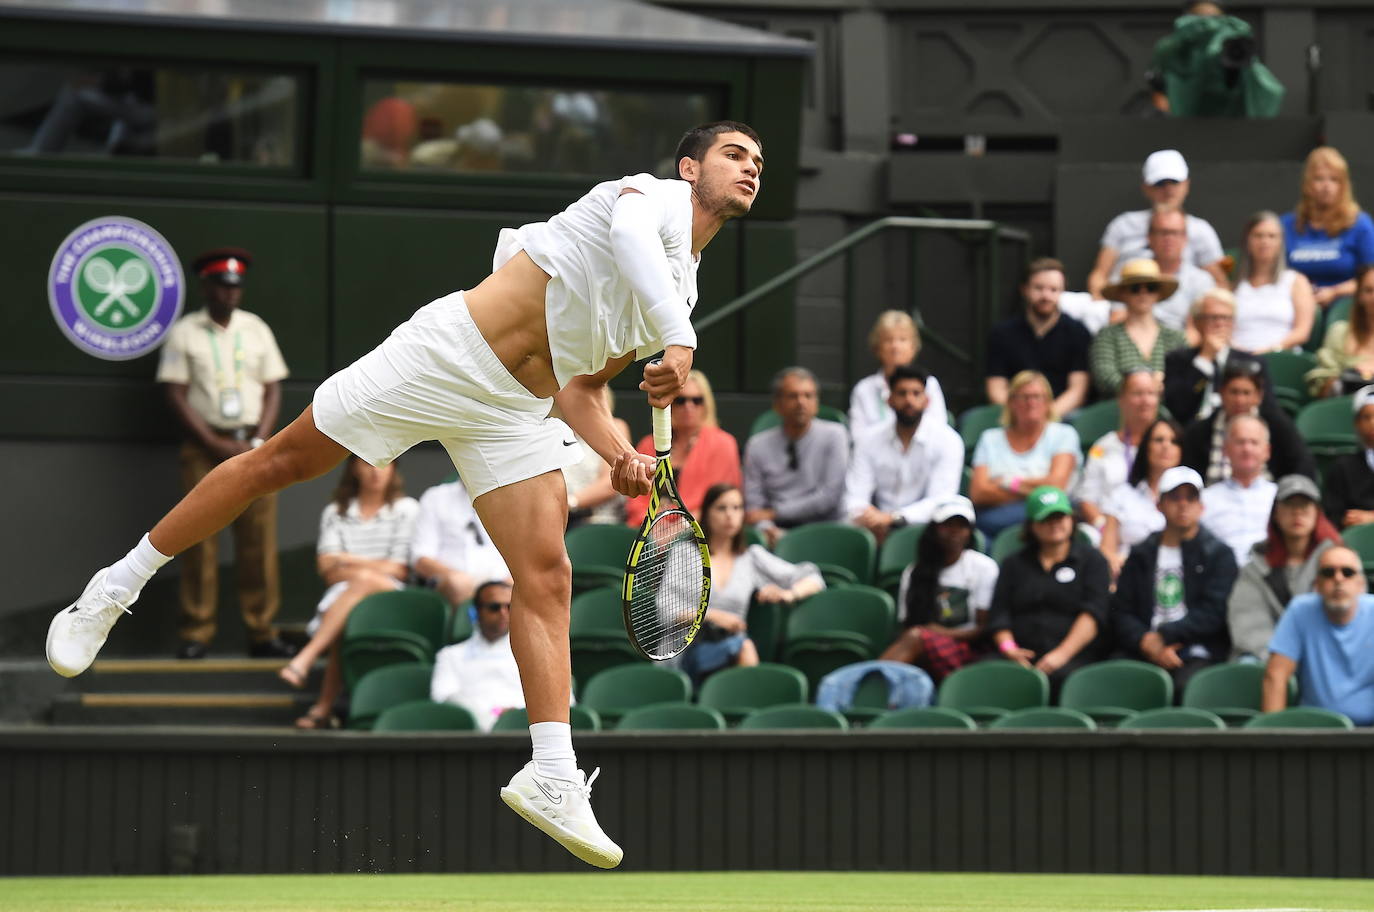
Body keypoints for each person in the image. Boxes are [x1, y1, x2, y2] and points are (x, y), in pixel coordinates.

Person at [48, 119, 768, 870]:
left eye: (757, 161)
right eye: (733, 153)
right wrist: (678, 337)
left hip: (513, 413)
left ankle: (552, 773)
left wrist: (619, 454)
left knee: (546, 576)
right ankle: (114, 586)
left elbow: (581, 388)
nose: (750, 167)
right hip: (449, 354)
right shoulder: (645, 201)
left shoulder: (681, 287)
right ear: (689, 166)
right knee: (278, 463)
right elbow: (625, 237)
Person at [154, 247, 293, 660]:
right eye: (221, 286)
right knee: (198, 540)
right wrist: (212, 443)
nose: (229, 294)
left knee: (259, 542)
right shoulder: (185, 332)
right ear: (207, 287)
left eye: (235, 287)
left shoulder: (256, 329)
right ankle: (197, 631)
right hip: (204, 446)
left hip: (253, 445)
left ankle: (262, 631)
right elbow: (175, 394)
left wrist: (260, 438)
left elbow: (273, 387)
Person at [276, 456, 417, 725]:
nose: (377, 472)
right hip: (345, 594)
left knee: (360, 584)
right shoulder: (335, 512)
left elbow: (399, 570)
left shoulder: (407, 509)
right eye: (368, 463)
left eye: (385, 463)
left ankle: (308, 661)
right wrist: (369, 570)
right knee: (350, 613)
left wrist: (349, 561)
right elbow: (327, 569)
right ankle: (322, 710)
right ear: (354, 468)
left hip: (393, 594)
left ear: (394, 469)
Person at [680, 483, 824, 685]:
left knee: (742, 646)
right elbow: (666, 610)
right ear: (706, 513)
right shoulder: (685, 555)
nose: (730, 515)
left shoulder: (751, 557)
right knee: (744, 647)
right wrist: (713, 616)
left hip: (732, 649)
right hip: (686, 649)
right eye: (721, 508)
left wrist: (788, 594)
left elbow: (813, 577)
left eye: (737, 508)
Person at [1112, 466, 1237, 692]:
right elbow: (1121, 610)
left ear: (1201, 506)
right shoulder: (1141, 553)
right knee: (1113, 679)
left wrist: (1164, 637)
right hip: (1143, 647)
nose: (1183, 504)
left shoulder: (1219, 554)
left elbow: (1214, 612)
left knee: (1187, 686)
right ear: (1159, 504)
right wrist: (1145, 641)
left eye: (1191, 497)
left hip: (1198, 649)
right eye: (1174, 497)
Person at [987, 486, 1111, 693]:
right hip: (1020, 654)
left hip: (1076, 656)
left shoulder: (1092, 560)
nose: (1054, 524)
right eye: (1046, 518)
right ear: (1031, 525)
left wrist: (1061, 654)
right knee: (986, 674)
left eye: (1060, 516)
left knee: (1066, 679)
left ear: (1072, 519)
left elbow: (1094, 613)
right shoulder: (1013, 564)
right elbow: (1000, 614)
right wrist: (1009, 649)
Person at [879, 496, 998, 682]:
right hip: (924, 647)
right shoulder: (914, 573)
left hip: (968, 649)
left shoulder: (984, 567)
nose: (955, 532)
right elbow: (906, 625)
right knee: (914, 638)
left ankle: (872, 680)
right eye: (947, 525)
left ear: (970, 531)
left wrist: (937, 632)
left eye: (962, 526)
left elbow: (983, 629)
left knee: (916, 637)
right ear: (934, 530)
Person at [843, 365, 964, 544]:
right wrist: (871, 519)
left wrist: (893, 518)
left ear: (927, 401)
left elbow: (941, 499)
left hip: (925, 530)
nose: (909, 400)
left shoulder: (948, 441)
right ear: (889, 400)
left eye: (916, 393)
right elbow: (855, 495)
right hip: (872, 528)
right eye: (902, 393)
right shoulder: (868, 439)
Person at [1229, 475, 1342, 663]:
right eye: (1289, 505)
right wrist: (1283, 661)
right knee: (1247, 663)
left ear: (1317, 513)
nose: (1297, 513)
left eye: (1304, 505)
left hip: (1324, 655)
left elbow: (1346, 616)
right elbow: (1248, 625)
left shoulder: (1337, 563)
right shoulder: (1255, 567)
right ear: (1276, 514)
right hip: (1268, 656)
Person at [1086, 150, 1228, 297]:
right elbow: (1100, 274)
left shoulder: (1202, 230)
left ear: (1186, 185)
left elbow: (1220, 282)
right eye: (1160, 183)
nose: (1168, 190)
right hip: (1124, 308)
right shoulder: (1122, 225)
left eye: (1174, 182)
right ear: (1146, 187)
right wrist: (1103, 308)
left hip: (1181, 314)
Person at [1261, 545, 1374, 726]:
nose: (1338, 579)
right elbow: (1276, 676)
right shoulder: (1300, 611)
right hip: (1315, 733)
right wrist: (1271, 739)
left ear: (1361, 584)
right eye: (1328, 572)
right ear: (1317, 585)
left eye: (1348, 572)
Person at [743, 366, 849, 547]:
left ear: (817, 402)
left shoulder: (835, 435)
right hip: (777, 531)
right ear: (777, 404)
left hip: (828, 529)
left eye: (808, 395)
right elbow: (754, 507)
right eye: (793, 396)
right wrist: (766, 527)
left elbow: (829, 497)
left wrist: (775, 512)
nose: (801, 402)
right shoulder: (757, 446)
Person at [969, 370, 1080, 540]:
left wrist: (1008, 483)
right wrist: (1037, 488)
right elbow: (978, 493)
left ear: (1048, 402)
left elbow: (1056, 486)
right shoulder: (989, 438)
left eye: (1037, 396)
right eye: (1024, 397)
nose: (1031, 403)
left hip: (1050, 516)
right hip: (996, 519)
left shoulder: (1064, 434)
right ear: (1011, 402)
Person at [624, 369, 740, 529]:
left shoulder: (723, 443)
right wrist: (651, 528)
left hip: (699, 533)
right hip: (648, 529)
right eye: (680, 400)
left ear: (706, 404)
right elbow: (636, 500)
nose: (689, 406)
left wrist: (677, 530)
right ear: (668, 403)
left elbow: (717, 502)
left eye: (697, 400)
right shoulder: (648, 444)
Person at [985, 258, 1091, 417]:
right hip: (1013, 416)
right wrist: (1022, 415)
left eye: (1054, 289)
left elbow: (1077, 391)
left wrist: (1046, 416)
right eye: (1039, 288)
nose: (1046, 296)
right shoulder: (1002, 334)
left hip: (1061, 416)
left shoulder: (1077, 333)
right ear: (1024, 289)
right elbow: (996, 390)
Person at [1181, 359, 1314, 483]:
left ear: (1259, 396)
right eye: (1234, 392)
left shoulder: (1277, 426)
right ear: (1221, 392)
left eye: (1246, 393)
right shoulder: (1200, 432)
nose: (1240, 400)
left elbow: (1302, 466)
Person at [1280, 146, 1374, 316]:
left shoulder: (1360, 224)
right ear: (1307, 184)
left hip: (1346, 301)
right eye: (1319, 179)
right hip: (1295, 301)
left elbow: (1370, 278)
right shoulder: (1287, 224)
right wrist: (1302, 293)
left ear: (1344, 185)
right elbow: (1275, 274)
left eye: (1334, 179)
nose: (1326, 186)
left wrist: (1335, 292)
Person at [1163, 289, 1275, 425]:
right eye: (1213, 317)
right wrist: (1205, 359)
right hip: (1190, 436)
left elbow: (1268, 410)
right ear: (1198, 323)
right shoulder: (1177, 360)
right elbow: (1177, 408)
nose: (1220, 323)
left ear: (1234, 324)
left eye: (1226, 318)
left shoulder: (1252, 363)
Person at [430, 580, 526, 731]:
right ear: (476, 612)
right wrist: (492, 714)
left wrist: (513, 716)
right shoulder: (450, 655)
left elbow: (563, 703)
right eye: (494, 607)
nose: (503, 613)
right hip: (471, 738)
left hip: (524, 733)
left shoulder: (532, 654)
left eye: (509, 607)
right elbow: (442, 700)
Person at [1076, 367, 1161, 533]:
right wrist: (1104, 528)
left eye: (1151, 393)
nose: (1145, 400)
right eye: (1137, 393)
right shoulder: (1103, 447)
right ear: (1121, 399)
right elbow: (1087, 500)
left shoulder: (1170, 444)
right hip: (1108, 530)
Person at [1099, 418, 1184, 577]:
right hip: (1127, 576)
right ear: (1146, 447)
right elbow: (1106, 549)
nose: (1166, 446)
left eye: (1174, 441)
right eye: (1159, 440)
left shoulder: (1192, 499)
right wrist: (1117, 564)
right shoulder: (1121, 495)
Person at [1091, 259, 1189, 397]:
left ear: (1158, 293)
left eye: (1151, 287)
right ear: (1122, 293)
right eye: (1135, 288)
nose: (1143, 293)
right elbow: (1105, 379)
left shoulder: (1176, 336)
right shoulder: (1107, 335)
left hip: (1168, 412)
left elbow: (1185, 377)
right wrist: (1146, 388)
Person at [410, 476, 510, 608]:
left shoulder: (508, 498)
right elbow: (421, 558)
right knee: (459, 584)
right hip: (454, 584)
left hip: (502, 582)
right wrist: (455, 577)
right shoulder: (436, 497)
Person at [848, 310, 948, 434]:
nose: (895, 346)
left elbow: (939, 430)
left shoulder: (930, 384)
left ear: (913, 347)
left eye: (902, 339)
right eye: (888, 340)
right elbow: (858, 437)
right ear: (877, 347)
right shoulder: (863, 389)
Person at [1231, 210, 1316, 353]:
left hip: (1282, 357)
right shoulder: (1233, 286)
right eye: (1258, 235)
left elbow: (1302, 332)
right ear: (1247, 240)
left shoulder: (1296, 281)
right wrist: (1238, 351)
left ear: (1281, 242)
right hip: (1238, 358)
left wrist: (1271, 350)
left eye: (1272, 236)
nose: (1264, 241)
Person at [1200, 415, 1279, 567]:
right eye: (1240, 442)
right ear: (1225, 449)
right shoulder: (1205, 499)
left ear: (1267, 451)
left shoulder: (1279, 497)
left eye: (1254, 442)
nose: (1247, 449)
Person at [561, 386, 630, 528]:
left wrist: (569, 503)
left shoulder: (616, 427)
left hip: (595, 521)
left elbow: (610, 484)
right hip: (558, 518)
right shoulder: (558, 429)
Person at [1145, 208, 1217, 335]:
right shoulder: (1133, 275)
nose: (1169, 238)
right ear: (1149, 237)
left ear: (1185, 238)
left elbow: (1197, 332)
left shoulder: (1201, 280)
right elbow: (1119, 319)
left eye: (1175, 233)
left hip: (1180, 348)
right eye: (1163, 232)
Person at [1307, 264, 1374, 398]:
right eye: (1369, 290)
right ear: (1359, 295)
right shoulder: (1339, 333)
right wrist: (1349, 376)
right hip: (1347, 408)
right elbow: (1320, 389)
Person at [1320, 385, 1374, 528]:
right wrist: (1347, 521)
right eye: (1366, 417)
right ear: (1357, 423)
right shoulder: (1342, 467)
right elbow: (1332, 516)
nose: (1372, 423)